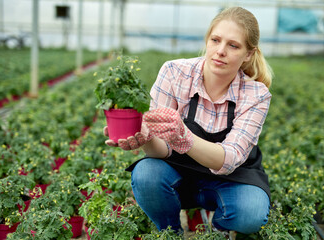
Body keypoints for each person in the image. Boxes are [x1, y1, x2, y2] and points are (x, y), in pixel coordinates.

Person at [104, 6, 273, 236]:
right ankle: (170, 232)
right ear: (207, 40)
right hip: (179, 173)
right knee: (146, 174)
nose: (220, 51)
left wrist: (186, 138)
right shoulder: (175, 73)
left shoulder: (256, 95)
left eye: (233, 45)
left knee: (251, 213)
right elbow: (161, 148)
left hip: (230, 178)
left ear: (249, 54)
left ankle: (217, 228)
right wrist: (145, 139)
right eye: (215, 40)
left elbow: (230, 159)